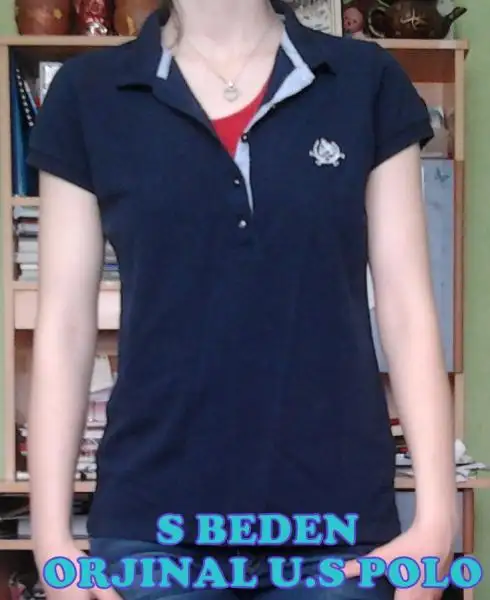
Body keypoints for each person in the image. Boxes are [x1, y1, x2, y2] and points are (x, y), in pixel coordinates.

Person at [26, 0, 458, 598]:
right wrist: (51, 542)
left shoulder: (365, 81)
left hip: (337, 523)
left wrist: (438, 518)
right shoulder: (87, 95)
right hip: (155, 523)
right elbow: (64, 326)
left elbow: (408, 307)